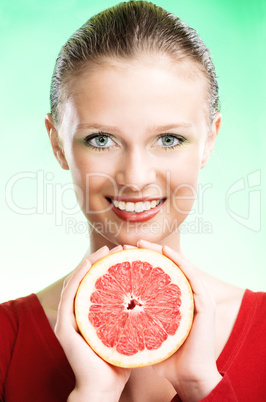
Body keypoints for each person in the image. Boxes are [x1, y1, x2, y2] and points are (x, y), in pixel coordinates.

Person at [0, 1, 265, 401]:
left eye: (169, 139)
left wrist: (200, 386)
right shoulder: (7, 340)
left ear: (210, 139)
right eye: (101, 140)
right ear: (57, 143)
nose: (136, 178)